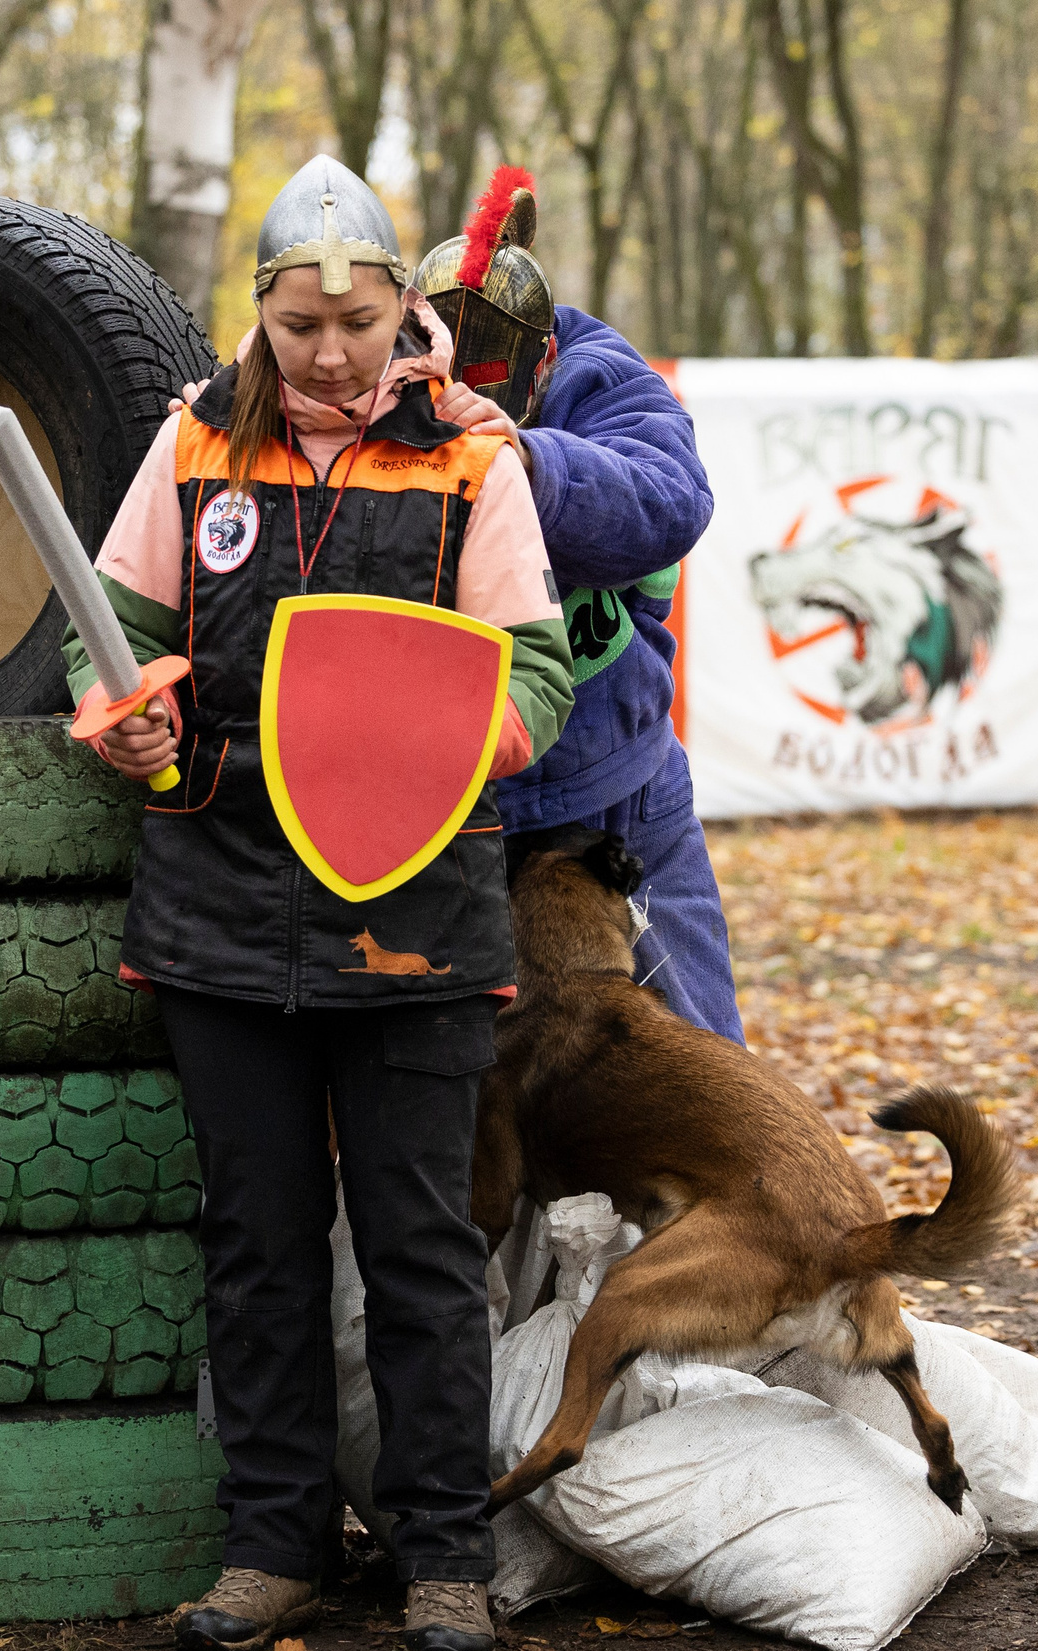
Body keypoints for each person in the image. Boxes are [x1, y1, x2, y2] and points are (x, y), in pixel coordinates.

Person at [70, 155, 574, 1651]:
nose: (332, 353)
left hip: (414, 913)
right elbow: (113, 647)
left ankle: (442, 1558)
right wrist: (122, 720)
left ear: (403, 309)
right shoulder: (194, 449)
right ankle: (276, 1543)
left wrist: (426, 756)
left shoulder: (475, 465)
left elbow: (537, 679)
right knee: (260, 1243)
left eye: (357, 321)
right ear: (262, 319)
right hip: (218, 902)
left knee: (422, 1247)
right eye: (301, 326)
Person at [409, 167, 740, 1043]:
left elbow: (672, 499)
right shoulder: (383, 379)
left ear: (542, 356)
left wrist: (529, 463)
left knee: (700, 1060)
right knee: (478, 1089)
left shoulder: (603, 377)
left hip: (616, 801)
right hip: (453, 809)